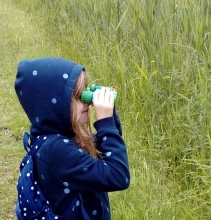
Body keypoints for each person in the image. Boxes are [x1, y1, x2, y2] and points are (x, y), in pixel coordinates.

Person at [14, 57, 130, 219]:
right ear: (53, 105)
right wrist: (105, 123)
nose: (86, 103)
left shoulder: (61, 137)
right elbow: (117, 176)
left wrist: (110, 115)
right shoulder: (56, 149)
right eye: (76, 96)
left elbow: (107, 149)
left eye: (84, 93)